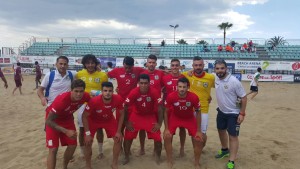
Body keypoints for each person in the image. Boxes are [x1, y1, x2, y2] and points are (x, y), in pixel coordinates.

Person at [45, 79, 90, 169]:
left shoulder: (85, 96)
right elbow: (48, 121)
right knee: (53, 149)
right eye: (76, 91)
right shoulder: (62, 100)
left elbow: (95, 100)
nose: (78, 94)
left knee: (72, 145)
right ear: (71, 90)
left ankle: (64, 166)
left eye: (81, 91)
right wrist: (65, 131)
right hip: (53, 121)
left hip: (67, 119)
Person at [213, 59, 247, 169]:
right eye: (217, 68)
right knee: (221, 130)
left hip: (234, 113)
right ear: (215, 69)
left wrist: (242, 113)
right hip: (221, 111)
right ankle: (224, 150)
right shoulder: (215, 77)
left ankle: (231, 161)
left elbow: (244, 97)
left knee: (233, 136)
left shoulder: (234, 81)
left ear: (226, 68)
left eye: (222, 68)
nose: (220, 70)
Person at [123, 74, 163, 165]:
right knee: (128, 136)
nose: (143, 85)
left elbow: (160, 108)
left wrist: (159, 123)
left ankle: (157, 157)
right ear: (138, 83)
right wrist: (126, 122)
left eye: (146, 83)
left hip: (150, 116)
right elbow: (125, 106)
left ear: (149, 83)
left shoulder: (154, 91)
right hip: (136, 115)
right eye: (141, 83)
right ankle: (126, 157)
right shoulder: (134, 92)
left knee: (158, 137)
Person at [82, 82, 124, 169]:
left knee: (118, 139)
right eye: (105, 90)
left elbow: (122, 114)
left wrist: (119, 131)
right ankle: (88, 165)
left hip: (108, 120)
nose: (107, 93)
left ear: (113, 91)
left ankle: (114, 163)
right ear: (102, 91)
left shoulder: (118, 98)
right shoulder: (94, 101)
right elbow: (84, 116)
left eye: (110, 91)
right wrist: (87, 133)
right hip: (93, 121)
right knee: (87, 141)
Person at [164, 77, 203, 169]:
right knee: (167, 136)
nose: (182, 89)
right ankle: (169, 160)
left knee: (198, 139)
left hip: (189, 119)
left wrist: (198, 130)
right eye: (180, 87)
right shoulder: (171, 96)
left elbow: (198, 112)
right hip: (175, 117)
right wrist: (166, 128)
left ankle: (196, 163)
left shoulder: (194, 97)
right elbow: (165, 111)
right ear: (176, 87)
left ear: (188, 87)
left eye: (184, 87)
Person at [76, 54, 109, 159]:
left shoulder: (102, 75)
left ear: (96, 64)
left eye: (92, 63)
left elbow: (107, 89)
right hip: (82, 106)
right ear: (84, 64)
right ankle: (82, 153)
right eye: (88, 63)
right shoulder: (79, 74)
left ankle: (100, 151)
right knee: (82, 130)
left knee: (99, 128)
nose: (90, 65)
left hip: (97, 105)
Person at [182, 56, 215, 151]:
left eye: (200, 65)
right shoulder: (187, 75)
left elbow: (220, 87)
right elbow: (173, 74)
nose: (198, 67)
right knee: (194, 133)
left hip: (203, 109)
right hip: (190, 109)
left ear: (203, 65)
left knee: (203, 134)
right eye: (196, 65)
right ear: (193, 66)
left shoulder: (210, 77)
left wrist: (209, 96)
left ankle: (200, 148)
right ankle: (196, 149)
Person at [138, 54, 165, 156]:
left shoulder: (160, 73)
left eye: (153, 62)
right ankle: (142, 148)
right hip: (143, 105)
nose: (151, 64)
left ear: (156, 63)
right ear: (147, 63)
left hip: (156, 106)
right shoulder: (142, 73)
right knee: (141, 128)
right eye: (150, 62)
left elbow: (165, 85)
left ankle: (155, 149)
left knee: (156, 127)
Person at [162, 58, 186, 156]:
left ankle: (182, 147)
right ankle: (169, 148)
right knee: (169, 129)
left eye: (177, 65)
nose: (175, 67)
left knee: (182, 128)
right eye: (173, 65)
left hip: (181, 107)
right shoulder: (165, 78)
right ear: (170, 67)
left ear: (180, 66)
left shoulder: (184, 77)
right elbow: (157, 88)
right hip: (168, 108)